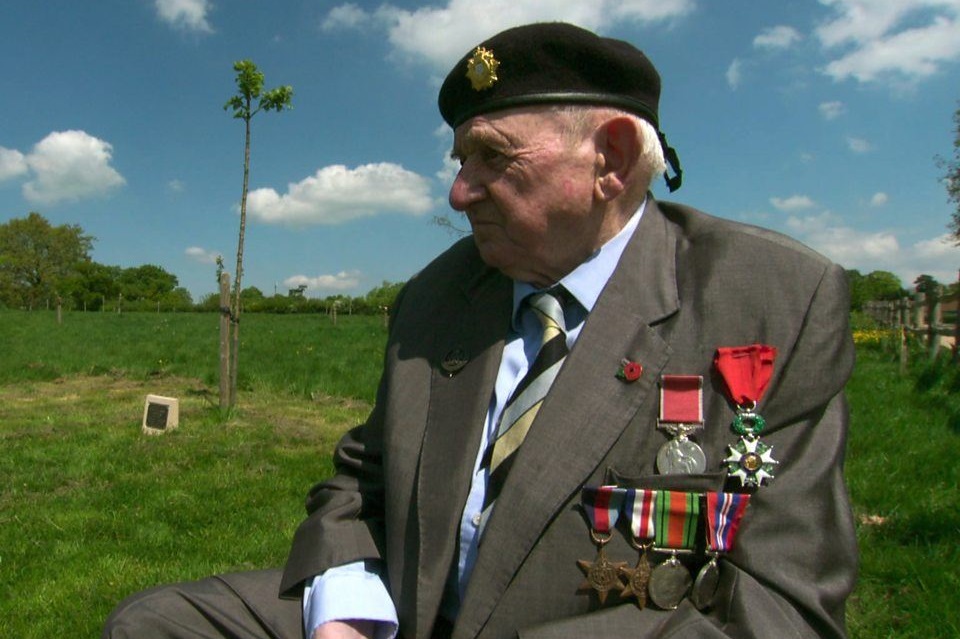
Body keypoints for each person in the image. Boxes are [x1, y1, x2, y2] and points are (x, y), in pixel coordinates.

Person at [103, 22, 857, 639]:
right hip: (403, 615)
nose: (458, 191)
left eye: (492, 156)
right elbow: (360, 481)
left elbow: (780, 604)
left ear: (613, 159)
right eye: (461, 158)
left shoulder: (770, 299)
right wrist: (344, 612)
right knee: (152, 625)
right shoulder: (440, 293)